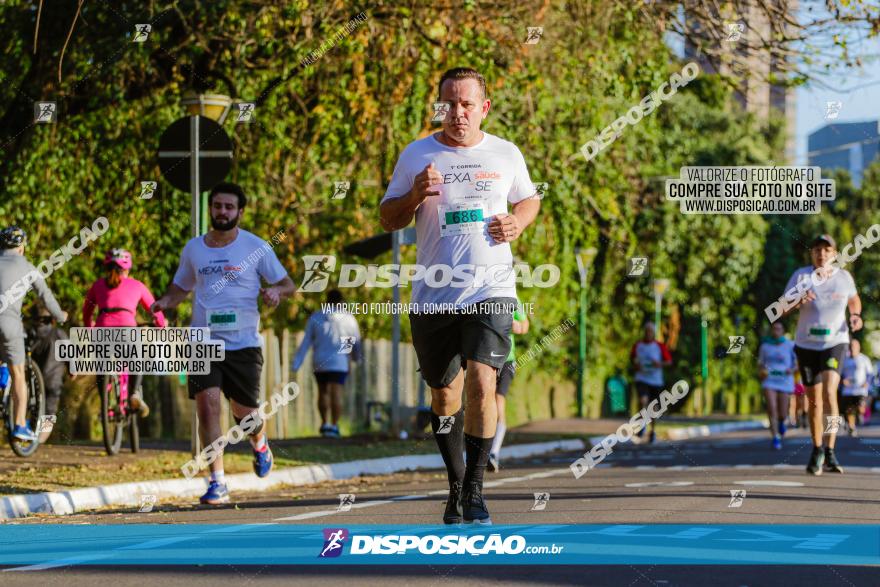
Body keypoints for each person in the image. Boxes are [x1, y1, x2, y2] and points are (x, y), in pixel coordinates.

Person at [379, 67, 541, 524]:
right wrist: (413, 195)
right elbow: (388, 218)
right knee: (444, 396)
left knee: (483, 382)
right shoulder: (417, 154)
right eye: (448, 103)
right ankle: (454, 486)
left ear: (483, 108)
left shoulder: (506, 153)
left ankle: (475, 490)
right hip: (434, 295)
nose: (457, 112)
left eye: (467, 104)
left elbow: (528, 199)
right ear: (438, 107)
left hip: (492, 288)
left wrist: (519, 222)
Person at [152, 182, 296, 505]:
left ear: (240, 213)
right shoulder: (194, 250)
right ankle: (217, 480)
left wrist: (276, 293)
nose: (222, 212)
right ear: (211, 209)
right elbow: (180, 288)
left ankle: (259, 442)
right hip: (203, 339)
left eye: (229, 207)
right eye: (217, 206)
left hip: (243, 341)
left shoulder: (256, 247)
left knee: (245, 414)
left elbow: (288, 284)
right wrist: (164, 302)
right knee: (207, 406)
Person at [779, 234, 862, 475]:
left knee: (829, 393)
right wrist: (796, 300)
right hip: (806, 345)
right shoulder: (801, 276)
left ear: (834, 254)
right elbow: (781, 308)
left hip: (835, 341)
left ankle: (830, 449)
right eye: (817, 249)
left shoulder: (844, 277)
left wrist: (855, 315)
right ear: (811, 253)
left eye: (827, 250)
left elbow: (854, 300)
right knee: (814, 401)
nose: (822, 254)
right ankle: (817, 449)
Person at [0, 226, 68, 442]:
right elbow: (46, 296)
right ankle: (24, 429)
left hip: (44, 382)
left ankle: (3, 377)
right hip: (51, 387)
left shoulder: (33, 332)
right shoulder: (59, 333)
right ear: (22, 246)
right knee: (20, 377)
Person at [83, 249, 167, 418]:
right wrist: (160, 325)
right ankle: (134, 393)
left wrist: (88, 327)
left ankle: (105, 405)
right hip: (127, 331)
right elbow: (154, 309)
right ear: (127, 269)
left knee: (102, 366)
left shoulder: (98, 285)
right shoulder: (137, 285)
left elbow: (87, 311)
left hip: (102, 331)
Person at [291, 289, 361, 438]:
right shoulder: (348, 318)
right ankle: (334, 426)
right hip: (339, 361)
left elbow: (306, 342)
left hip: (320, 360)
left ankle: (324, 424)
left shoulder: (316, 316)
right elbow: (353, 340)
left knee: (322, 392)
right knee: (336, 392)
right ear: (341, 302)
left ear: (327, 301)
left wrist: (296, 364)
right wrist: (353, 358)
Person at [488, 304, 528, 472]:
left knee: (498, 400)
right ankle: (479, 450)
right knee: (483, 402)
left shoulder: (513, 297)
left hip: (507, 360)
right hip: (484, 356)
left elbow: (525, 325)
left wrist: (514, 326)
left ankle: (494, 452)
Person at [29, 306, 70, 443]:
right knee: (49, 412)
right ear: (52, 320)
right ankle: (39, 441)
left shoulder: (30, 334)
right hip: (53, 381)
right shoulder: (59, 333)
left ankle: (29, 437)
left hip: (32, 381)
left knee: (33, 408)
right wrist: (72, 370)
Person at [630, 321, 672, 443]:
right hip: (641, 378)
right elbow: (632, 360)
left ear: (653, 333)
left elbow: (669, 362)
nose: (648, 333)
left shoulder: (659, 346)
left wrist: (659, 364)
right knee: (642, 401)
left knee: (653, 407)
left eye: (650, 331)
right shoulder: (638, 345)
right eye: (646, 331)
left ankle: (652, 431)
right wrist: (636, 365)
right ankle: (642, 426)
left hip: (656, 380)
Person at [757, 321, 798, 449]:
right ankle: (775, 437)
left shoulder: (790, 345)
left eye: (779, 328)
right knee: (772, 408)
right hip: (770, 381)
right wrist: (762, 372)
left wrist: (790, 370)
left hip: (785, 381)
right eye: (774, 328)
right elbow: (760, 364)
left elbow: (797, 364)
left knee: (783, 412)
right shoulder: (765, 346)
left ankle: (782, 422)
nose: (776, 331)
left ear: (783, 331)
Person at [840, 339, 872, 437]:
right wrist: (842, 381)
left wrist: (867, 383)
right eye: (850, 346)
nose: (852, 348)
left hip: (860, 390)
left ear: (858, 347)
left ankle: (860, 415)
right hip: (848, 391)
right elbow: (839, 374)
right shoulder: (844, 359)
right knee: (849, 410)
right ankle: (851, 427)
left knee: (860, 407)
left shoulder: (864, 359)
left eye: (854, 346)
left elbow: (870, 374)